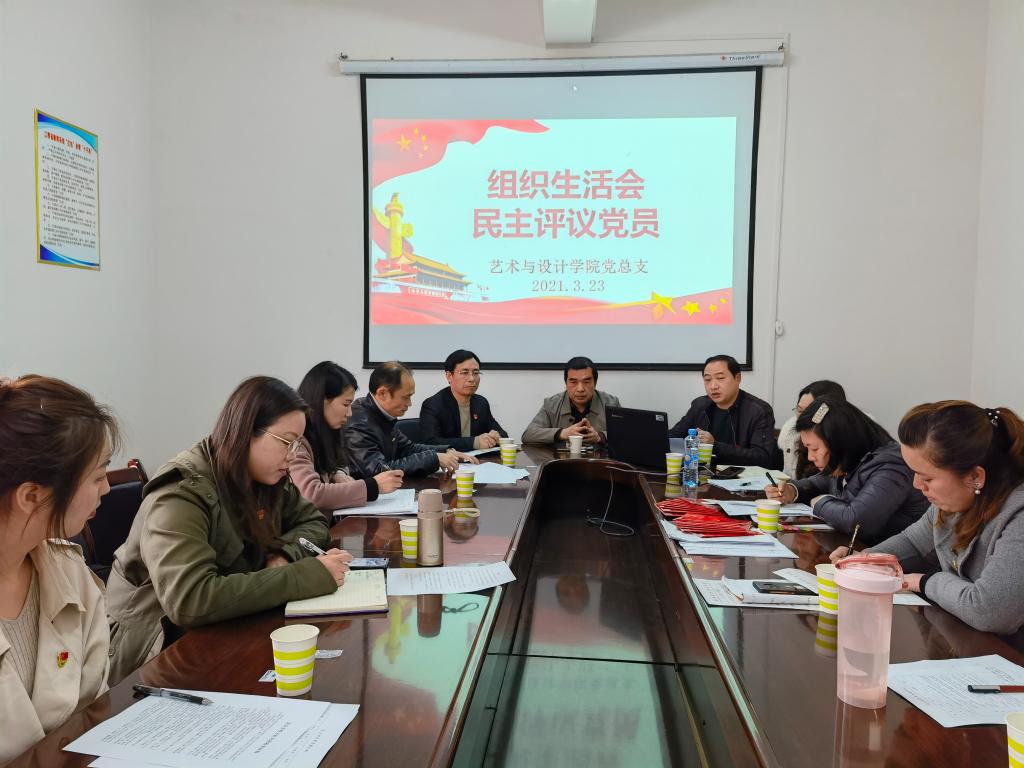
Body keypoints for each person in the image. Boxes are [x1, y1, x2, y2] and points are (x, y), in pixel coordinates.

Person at [106, 376, 351, 684]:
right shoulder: (182, 491)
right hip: (157, 650)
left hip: (227, 625)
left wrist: (285, 555)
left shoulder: (264, 477)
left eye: (298, 444)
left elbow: (314, 522)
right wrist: (305, 576)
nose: (292, 456)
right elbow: (191, 600)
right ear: (246, 432)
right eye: (286, 442)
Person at [0, 375, 119, 761]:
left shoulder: (71, 574)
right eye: (97, 476)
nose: (106, 489)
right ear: (32, 496)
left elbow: (91, 715)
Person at [831, 401, 1024, 635]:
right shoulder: (953, 502)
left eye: (927, 478)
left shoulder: (1018, 517)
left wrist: (922, 582)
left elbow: (990, 612)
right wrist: (862, 561)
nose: (916, 485)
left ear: (975, 476)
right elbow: (914, 543)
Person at [766, 397, 928, 545]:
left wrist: (820, 502)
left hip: (893, 558)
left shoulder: (891, 466)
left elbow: (856, 522)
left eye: (814, 449)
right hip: (858, 550)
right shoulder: (852, 457)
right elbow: (820, 481)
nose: (810, 457)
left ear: (838, 442)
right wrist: (792, 490)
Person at [291, 361, 404, 515]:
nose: (350, 413)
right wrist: (373, 486)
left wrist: (338, 473)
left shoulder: (328, 431)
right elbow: (311, 493)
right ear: (321, 401)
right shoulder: (296, 439)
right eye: (346, 404)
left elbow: (341, 462)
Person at [343, 361, 476, 478]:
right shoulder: (358, 423)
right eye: (406, 397)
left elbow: (408, 448)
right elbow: (379, 470)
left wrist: (445, 451)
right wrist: (434, 459)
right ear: (382, 393)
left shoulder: (382, 414)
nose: (410, 403)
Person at [669, 355, 777, 467]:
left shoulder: (759, 411)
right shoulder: (700, 405)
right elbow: (673, 436)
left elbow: (763, 457)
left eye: (720, 378)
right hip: (703, 473)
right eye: (707, 380)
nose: (713, 386)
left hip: (740, 475)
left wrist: (715, 446)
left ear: (737, 378)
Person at [419, 349, 508, 452]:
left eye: (476, 373)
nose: (472, 379)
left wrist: (498, 436)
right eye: (465, 373)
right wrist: (474, 442)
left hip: (480, 460)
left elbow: (503, 434)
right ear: (449, 376)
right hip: (450, 460)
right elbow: (431, 442)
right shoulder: (433, 405)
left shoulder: (481, 402)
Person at [521, 356, 621, 445]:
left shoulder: (611, 403)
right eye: (573, 382)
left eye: (586, 382)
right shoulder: (551, 404)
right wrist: (562, 433)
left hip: (599, 459)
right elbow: (528, 435)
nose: (580, 389)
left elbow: (624, 434)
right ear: (566, 383)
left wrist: (600, 436)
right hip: (561, 459)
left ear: (595, 383)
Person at [777, 380, 847, 477]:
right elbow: (789, 476)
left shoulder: (845, 445)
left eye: (809, 411)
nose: (802, 417)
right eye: (799, 410)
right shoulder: (791, 433)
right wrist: (790, 485)